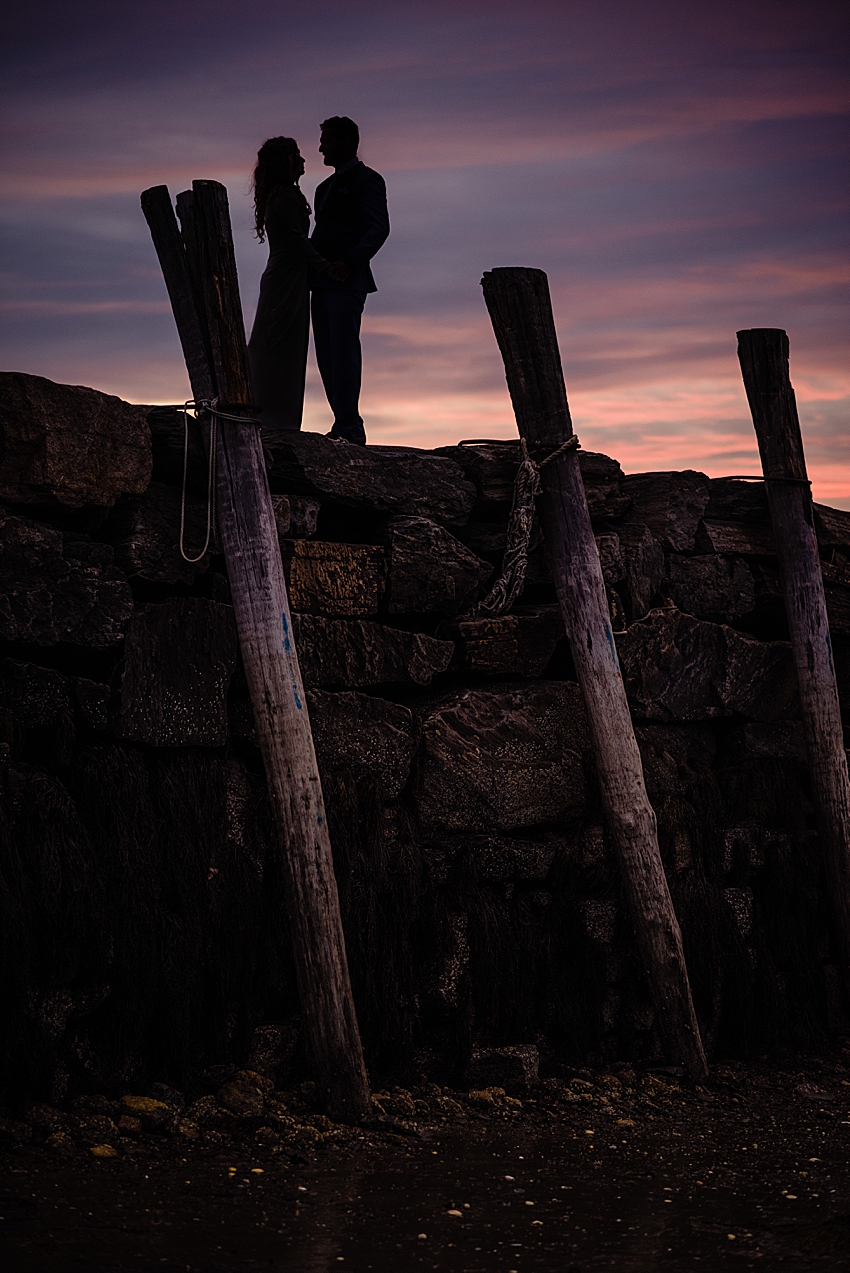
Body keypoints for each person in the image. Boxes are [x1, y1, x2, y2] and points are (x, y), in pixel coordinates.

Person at [309, 116, 389, 445]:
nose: (320, 148)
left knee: (343, 353)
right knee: (326, 355)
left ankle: (349, 426)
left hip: (348, 281)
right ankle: (342, 422)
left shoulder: (368, 180)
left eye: (326, 141)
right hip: (322, 281)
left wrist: (350, 262)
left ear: (345, 142)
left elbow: (378, 228)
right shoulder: (323, 188)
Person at [248, 136, 329, 430]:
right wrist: (325, 266)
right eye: (298, 156)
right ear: (286, 163)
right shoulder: (284, 196)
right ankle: (273, 417)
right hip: (285, 278)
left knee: (284, 346)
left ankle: (276, 415)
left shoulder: (281, 195)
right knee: (277, 345)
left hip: (290, 277)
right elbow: (297, 241)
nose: (304, 161)